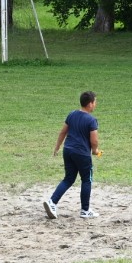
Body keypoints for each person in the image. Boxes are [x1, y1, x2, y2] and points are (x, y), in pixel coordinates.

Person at [44, 90, 103, 219]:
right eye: (95, 102)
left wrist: (57, 146)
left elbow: (63, 132)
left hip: (68, 151)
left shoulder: (72, 114)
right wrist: (95, 151)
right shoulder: (91, 120)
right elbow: (94, 140)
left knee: (69, 179)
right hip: (82, 154)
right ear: (90, 104)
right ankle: (85, 210)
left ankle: (52, 202)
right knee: (86, 180)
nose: (95, 104)